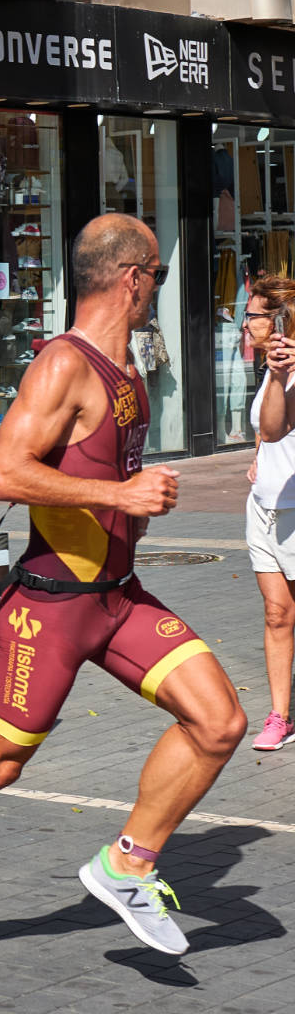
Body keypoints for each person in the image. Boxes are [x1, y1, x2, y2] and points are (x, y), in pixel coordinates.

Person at [0, 214, 246, 972]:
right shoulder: (62, 364)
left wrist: (129, 498)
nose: (156, 292)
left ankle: (128, 866)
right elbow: (7, 473)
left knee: (220, 721)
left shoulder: (125, 365)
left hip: (119, 598)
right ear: (133, 276)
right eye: (157, 279)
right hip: (52, 606)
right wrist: (124, 495)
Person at [243, 276, 295, 750]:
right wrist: (257, 454)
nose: (246, 321)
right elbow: (268, 428)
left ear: (279, 318)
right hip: (263, 505)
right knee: (277, 613)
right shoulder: (271, 367)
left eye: (254, 314)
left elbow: (282, 426)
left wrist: (283, 376)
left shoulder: (289, 368)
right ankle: (280, 716)